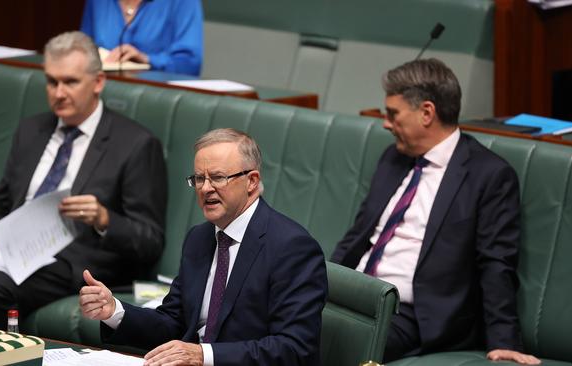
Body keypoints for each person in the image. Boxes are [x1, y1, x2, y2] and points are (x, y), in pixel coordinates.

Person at [0, 31, 167, 330]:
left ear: (98, 82)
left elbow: (150, 240)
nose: (59, 92)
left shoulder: (136, 144)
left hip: (72, 259)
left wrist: (104, 218)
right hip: (7, 249)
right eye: (52, 82)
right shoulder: (32, 130)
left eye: (70, 82)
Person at [331, 59, 541, 365]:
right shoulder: (393, 158)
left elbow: (496, 263)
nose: (386, 124)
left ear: (427, 112)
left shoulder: (488, 175)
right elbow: (360, 234)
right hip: (354, 297)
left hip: (408, 315)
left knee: (311, 338)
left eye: (393, 114)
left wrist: (505, 341)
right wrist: (319, 284)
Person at [80, 128, 328, 365]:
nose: (205, 188)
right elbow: (174, 323)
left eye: (218, 177)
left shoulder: (292, 247)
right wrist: (114, 310)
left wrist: (203, 356)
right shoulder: (199, 238)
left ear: (251, 181)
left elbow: (294, 349)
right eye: (199, 178)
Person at [80, 0, 203, 76]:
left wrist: (147, 59)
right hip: (104, 93)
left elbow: (190, 64)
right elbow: (83, 50)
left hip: (155, 97)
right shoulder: (97, 2)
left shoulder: (183, 2)